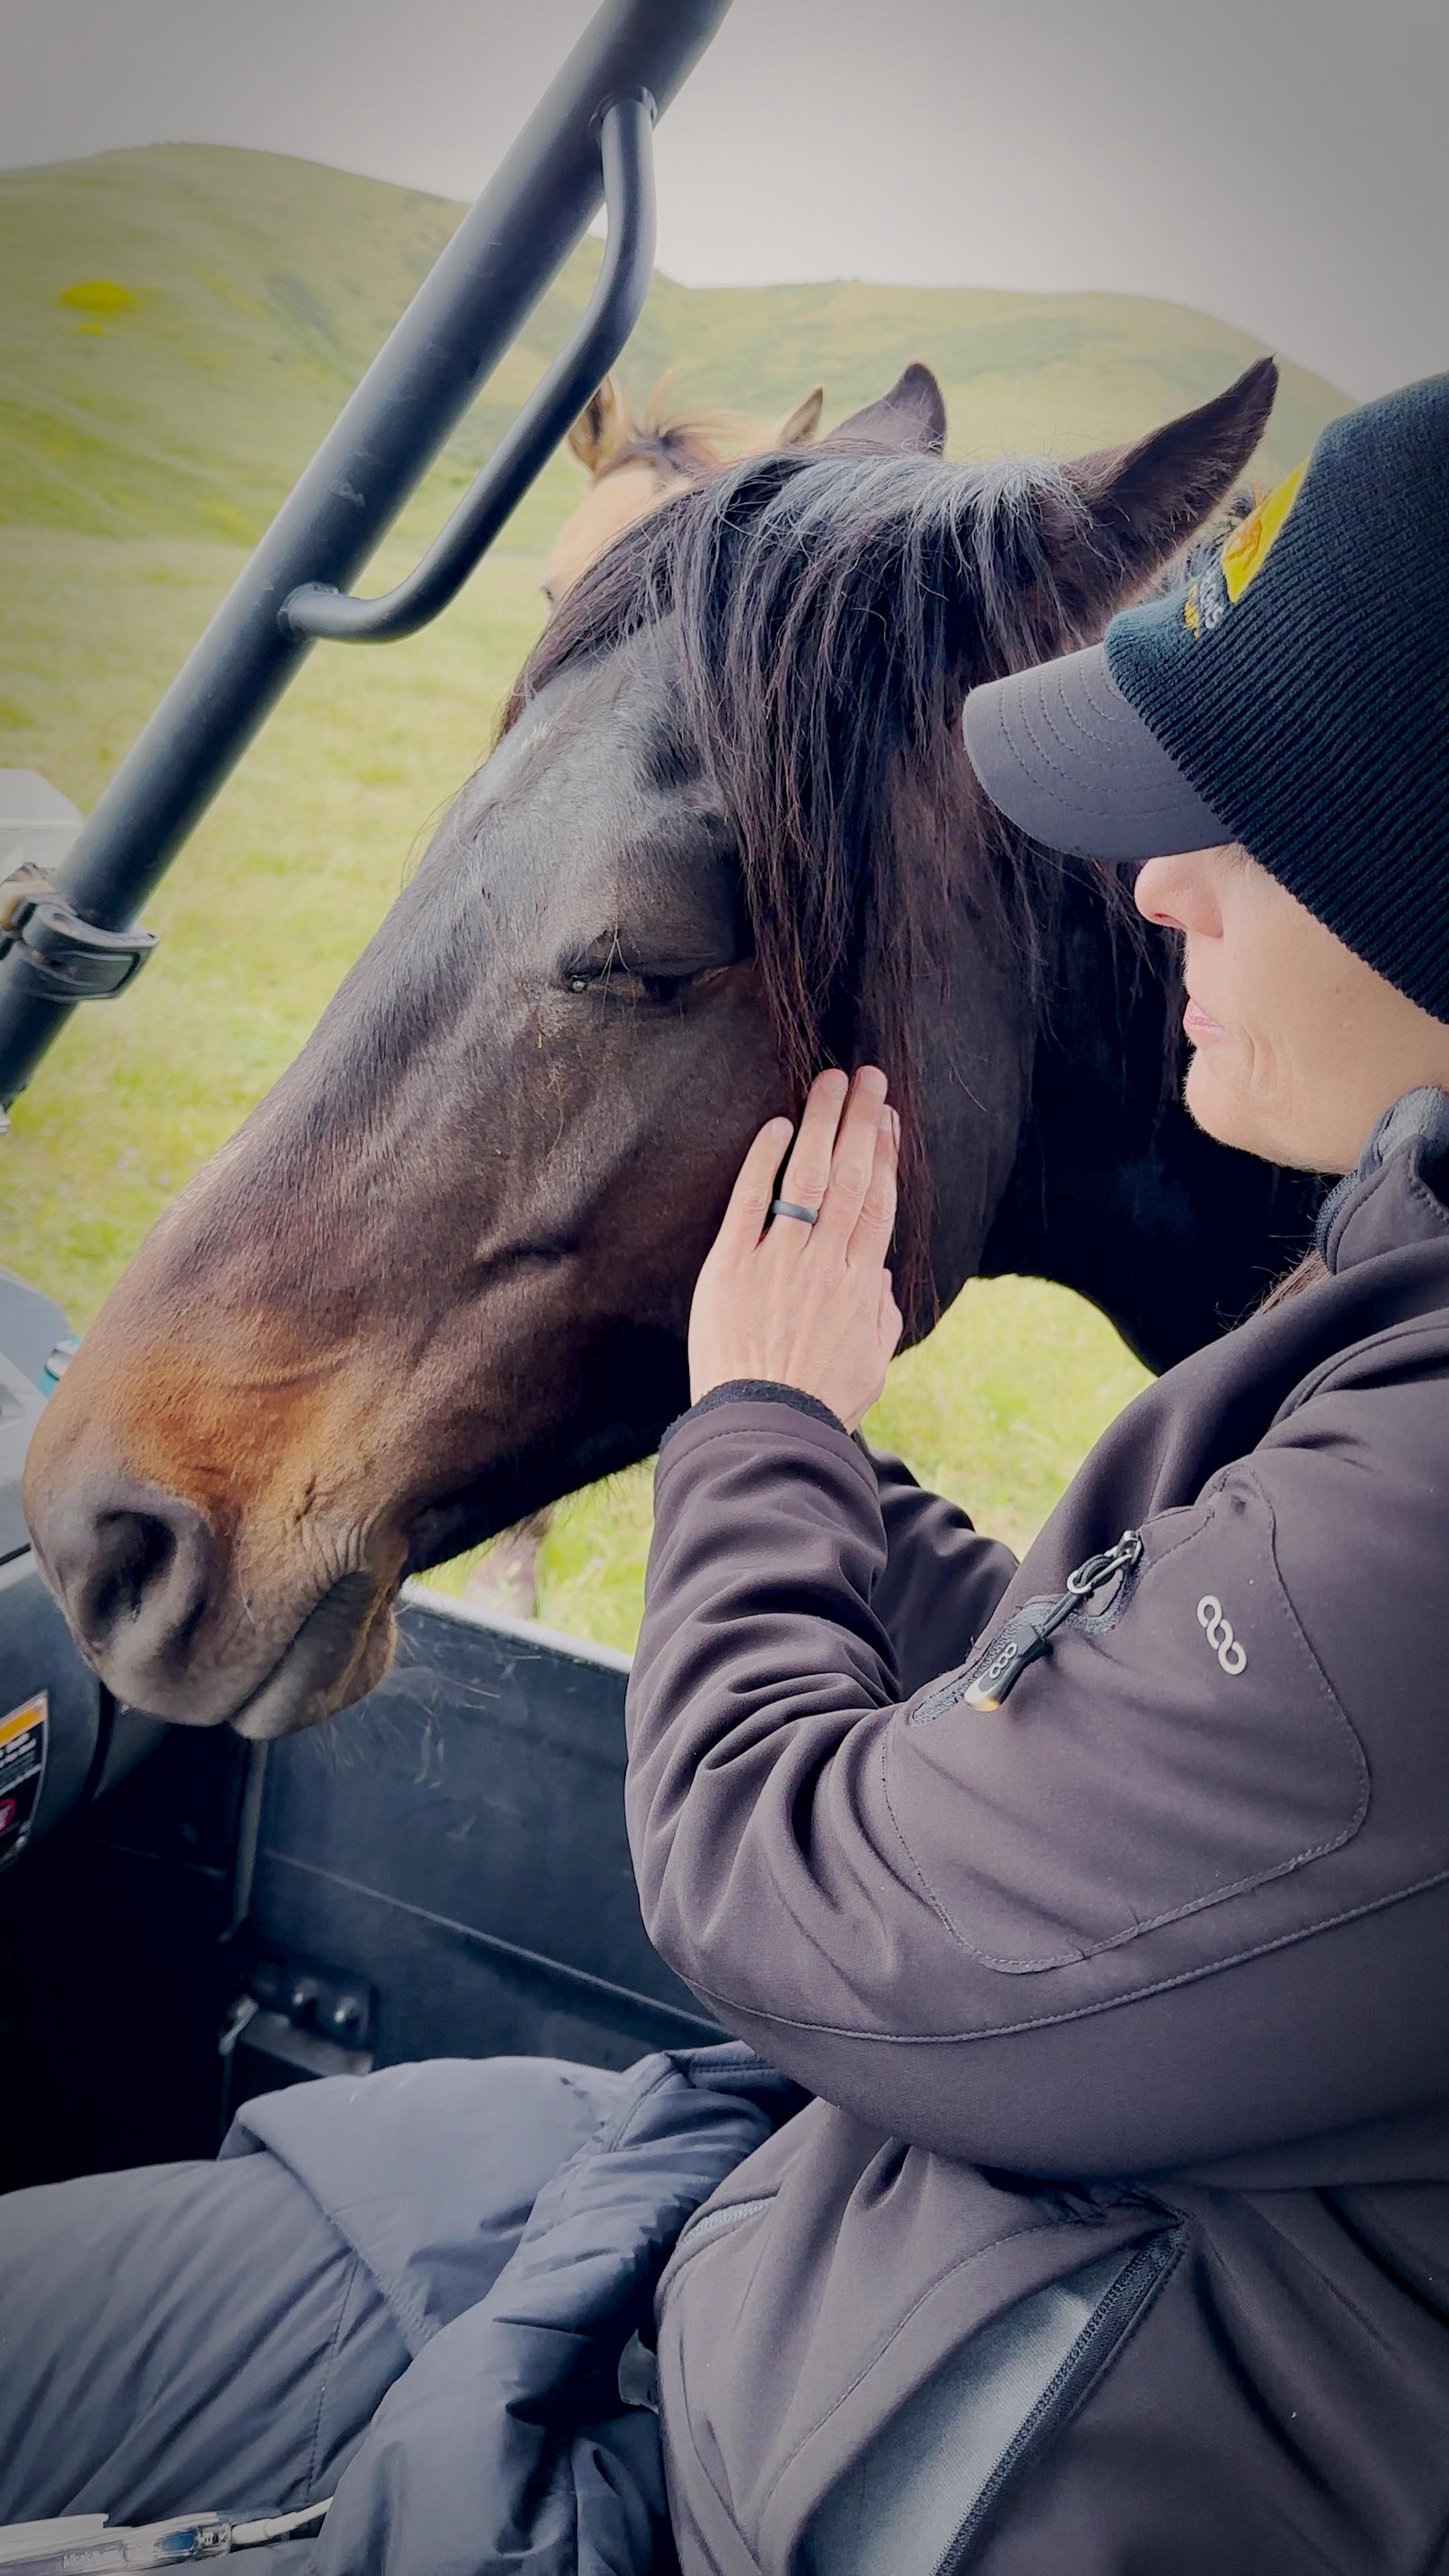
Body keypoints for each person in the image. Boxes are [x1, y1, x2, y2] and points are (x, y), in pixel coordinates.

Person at [3, 374, 1448, 2575]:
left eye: (1245, 820)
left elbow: (805, 1907)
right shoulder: (1378, 1322)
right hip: (759, 2234)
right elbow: (1144, 1721)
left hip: (803, 2467)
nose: (1151, 888)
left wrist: (766, 1431)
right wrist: (821, 1465)